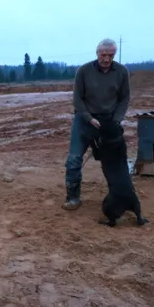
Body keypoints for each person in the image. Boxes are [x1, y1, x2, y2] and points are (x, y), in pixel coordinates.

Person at [62, 38, 131, 210]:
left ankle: (119, 196)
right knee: (74, 158)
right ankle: (73, 197)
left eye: (111, 55)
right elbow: (77, 99)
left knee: (115, 160)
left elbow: (124, 99)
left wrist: (116, 120)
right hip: (84, 120)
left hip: (108, 122)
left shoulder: (122, 72)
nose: (107, 59)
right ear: (97, 53)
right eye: (103, 55)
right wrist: (88, 118)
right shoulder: (84, 71)